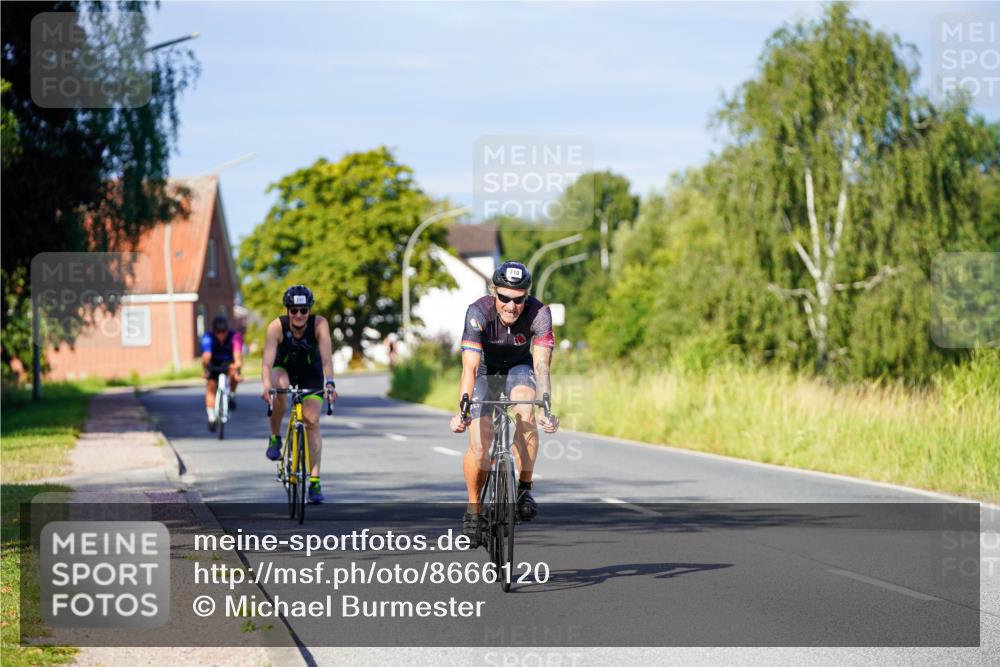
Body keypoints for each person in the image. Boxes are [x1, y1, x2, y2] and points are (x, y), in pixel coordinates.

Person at [449, 261, 560, 544]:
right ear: (493, 293)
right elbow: (470, 368)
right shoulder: (478, 312)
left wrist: (546, 405)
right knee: (480, 447)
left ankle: (524, 488)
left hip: (519, 368)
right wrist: (462, 410)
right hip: (486, 371)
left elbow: (542, 366)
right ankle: (473, 511)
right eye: (504, 298)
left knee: (526, 410)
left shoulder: (540, 314)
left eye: (519, 299)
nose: (511, 306)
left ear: (527, 296)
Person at [260, 285, 338, 503]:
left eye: (304, 310)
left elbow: (327, 359)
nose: (299, 315)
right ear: (287, 310)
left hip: (310, 374)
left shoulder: (319, 324)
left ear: (309, 310)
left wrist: (330, 383)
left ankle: (314, 481)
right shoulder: (276, 327)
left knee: (311, 420)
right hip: (283, 369)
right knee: (279, 389)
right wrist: (267, 386)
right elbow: (267, 363)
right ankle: (275, 437)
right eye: (294, 310)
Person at [201, 314, 243, 432]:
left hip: (229, 362)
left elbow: (237, 355)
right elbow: (206, 356)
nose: (221, 334)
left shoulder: (235, 336)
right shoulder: (208, 337)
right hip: (214, 362)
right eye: (218, 332)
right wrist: (207, 369)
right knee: (211, 388)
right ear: (214, 331)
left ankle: (232, 395)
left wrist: (237, 366)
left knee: (235, 373)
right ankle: (211, 417)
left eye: (223, 331)